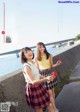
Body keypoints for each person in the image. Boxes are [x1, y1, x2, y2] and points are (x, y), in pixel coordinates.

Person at [20, 47, 55, 112]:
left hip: (39, 86)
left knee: (49, 104)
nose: (30, 52)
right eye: (26, 52)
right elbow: (33, 82)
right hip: (32, 88)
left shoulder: (33, 63)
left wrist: (46, 77)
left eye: (30, 51)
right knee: (40, 109)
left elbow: (38, 75)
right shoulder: (26, 66)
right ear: (24, 56)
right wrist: (46, 79)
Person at [35, 42, 62, 112]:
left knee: (53, 92)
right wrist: (41, 77)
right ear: (37, 48)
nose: (42, 48)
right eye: (40, 47)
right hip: (43, 75)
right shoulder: (36, 58)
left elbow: (51, 65)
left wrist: (57, 64)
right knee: (49, 93)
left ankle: (53, 105)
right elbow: (37, 69)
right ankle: (54, 109)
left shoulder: (49, 55)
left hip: (51, 73)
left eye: (43, 46)